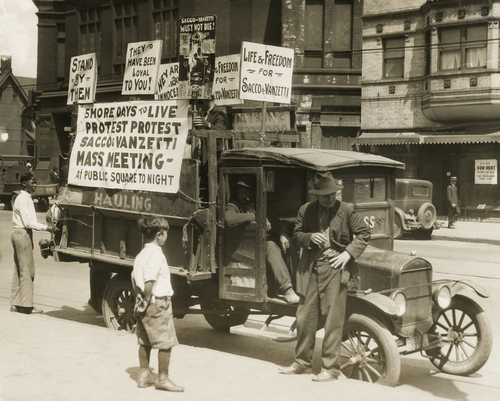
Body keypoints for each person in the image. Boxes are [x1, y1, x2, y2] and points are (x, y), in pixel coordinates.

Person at [278, 171, 371, 381]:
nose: (330, 199)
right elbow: (297, 235)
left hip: (336, 270)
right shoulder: (306, 210)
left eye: (333, 195)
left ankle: (331, 369)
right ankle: (301, 362)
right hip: (310, 269)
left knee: (333, 320)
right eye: (326, 196)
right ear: (317, 196)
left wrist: (347, 254)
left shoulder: (346, 210)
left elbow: (364, 234)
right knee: (304, 318)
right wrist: (310, 238)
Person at [225, 176, 299, 304]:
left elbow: (274, 221)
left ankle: (299, 286)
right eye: (241, 192)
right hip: (245, 249)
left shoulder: (260, 204)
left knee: (288, 243)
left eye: (247, 192)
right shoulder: (234, 205)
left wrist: (282, 234)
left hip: (260, 245)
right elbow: (229, 218)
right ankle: (287, 290)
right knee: (270, 246)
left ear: (254, 192)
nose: (244, 196)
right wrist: (257, 217)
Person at [131, 216, 184, 392]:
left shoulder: (141, 254)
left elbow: (134, 278)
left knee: (144, 340)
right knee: (165, 342)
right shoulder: (156, 255)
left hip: (143, 302)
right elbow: (149, 280)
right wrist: (147, 299)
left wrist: (140, 299)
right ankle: (163, 378)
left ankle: (144, 375)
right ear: (159, 235)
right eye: (165, 234)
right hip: (157, 302)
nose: (166, 237)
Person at [10, 171, 52, 314]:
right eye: (32, 182)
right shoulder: (23, 198)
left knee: (19, 270)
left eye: (35, 182)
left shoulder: (24, 198)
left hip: (18, 233)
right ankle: (27, 306)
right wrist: (47, 228)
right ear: (24, 183)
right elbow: (28, 222)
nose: (35, 184)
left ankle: (15, 304)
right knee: (28, 271)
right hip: (22, 234)